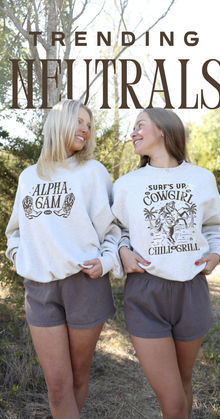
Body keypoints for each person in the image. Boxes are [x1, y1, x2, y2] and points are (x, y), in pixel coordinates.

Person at [112, 107, 220, 419]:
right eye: (133, 127)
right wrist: (124, 252)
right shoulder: (126, 184)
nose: (133, 132)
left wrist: (216, 254)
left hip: (191, 290)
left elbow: (215, 227)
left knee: (184, 381)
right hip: (145, 292)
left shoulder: (201, 178)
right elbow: (116, 231)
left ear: (164, 129)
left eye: (140, 125)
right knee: (173, 400)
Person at [5, 99, 121, 419]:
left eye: (89, 124)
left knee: (78, 377)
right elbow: (14, 231)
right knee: (57, 386)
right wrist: (17, 255)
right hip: (40, 289)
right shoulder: (30, 176)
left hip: (84, 283)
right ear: (59, 124)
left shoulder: (93, 172)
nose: (85, 128)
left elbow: (112, 230)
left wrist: (106, 262)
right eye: (79, 121)